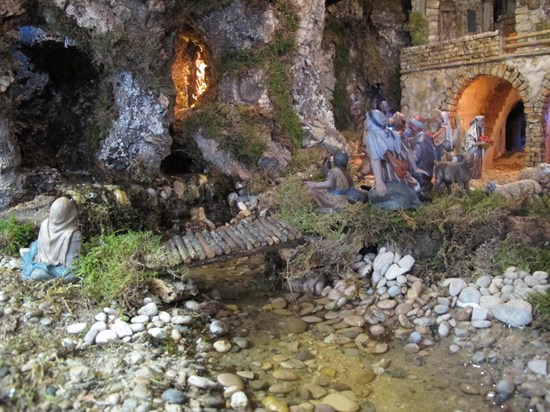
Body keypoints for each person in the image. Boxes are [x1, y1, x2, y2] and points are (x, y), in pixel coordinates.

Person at [363, 109, 424, 210]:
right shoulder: (394, 134)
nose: (365, 121)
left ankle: (397, 204)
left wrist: (379, 181)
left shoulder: (371, 137)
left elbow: (375, 159)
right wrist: (415, 168)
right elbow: (408, 152)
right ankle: (403, 201)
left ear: (372, 122)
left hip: (389, 179)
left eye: (366, 119)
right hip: (403, 178)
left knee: (372, 195)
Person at [21, 197, 82, 282]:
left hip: (42, 258)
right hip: (56, 266)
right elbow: (71, 263)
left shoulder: (44, 223)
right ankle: (44, 274)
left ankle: (38, 271)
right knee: (73, 275)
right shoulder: (74, 235)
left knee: (34, 246)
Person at [404, 114, 436, 196]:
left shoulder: (421, 139)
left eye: (411, 125)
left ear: (417, 127)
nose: (409, 127)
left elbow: (414, 158)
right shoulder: (422, 137)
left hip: (420, 177)